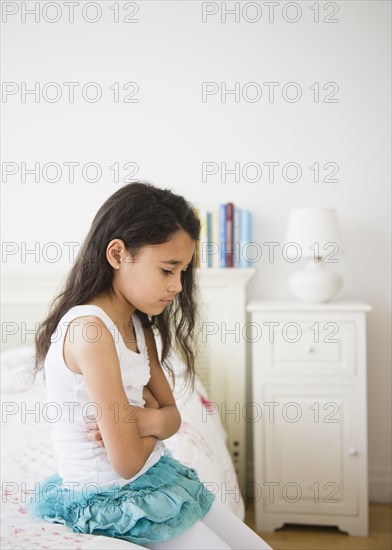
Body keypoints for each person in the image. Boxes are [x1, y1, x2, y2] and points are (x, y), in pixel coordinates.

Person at [27, 182, 271, 550]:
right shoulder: (91, 331)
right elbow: (125, 461)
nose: (176, 286)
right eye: (167, 270)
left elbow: (174, 418)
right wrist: (156, 417)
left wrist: (147, 419)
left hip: (154, 476)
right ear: (117, 254)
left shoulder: (138, 326)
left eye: (182, 273)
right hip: (111, 498)